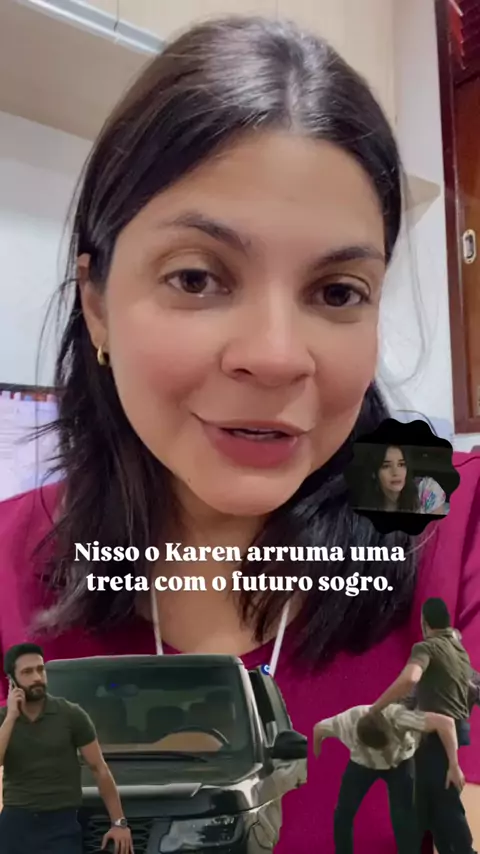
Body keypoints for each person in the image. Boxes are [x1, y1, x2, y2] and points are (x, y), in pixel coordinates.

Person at [0, 14, 479, 854]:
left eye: (337, 291)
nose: (277, 355)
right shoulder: (9, 563)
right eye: (197, 277)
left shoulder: (459, 526)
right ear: (97, 302)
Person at [0, 643, 133, 854]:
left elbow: (99, 768)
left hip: (60, 824)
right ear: (12, 680)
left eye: (40, 669)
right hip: (16, 823)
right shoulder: (4, 719)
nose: (37, 677)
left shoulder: (70, 715)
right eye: (27, 672)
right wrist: (11, 717)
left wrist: (119, 823)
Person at [370, 598, 476, 853]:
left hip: (430, 740)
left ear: (425, 623)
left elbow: (410, 683)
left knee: (430, 805)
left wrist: (378, 708)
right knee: (438, 805)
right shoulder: (459, 655)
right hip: (443, 738)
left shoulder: (426, 649)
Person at [313, 701, 463, 854]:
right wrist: (316, 755)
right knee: (343, 813)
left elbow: (446, 723)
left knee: (403, 816)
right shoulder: (345, 723)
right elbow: (318, 730)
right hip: (364, 763)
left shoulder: (399, 717)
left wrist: (454, 765)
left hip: (400, 763)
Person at [358, 445, 446, 514]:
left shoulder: (426, 489)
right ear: (374, 473)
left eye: (401, 464)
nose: (396, 473)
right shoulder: (366, 508)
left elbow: (438, 529)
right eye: (386, 466)